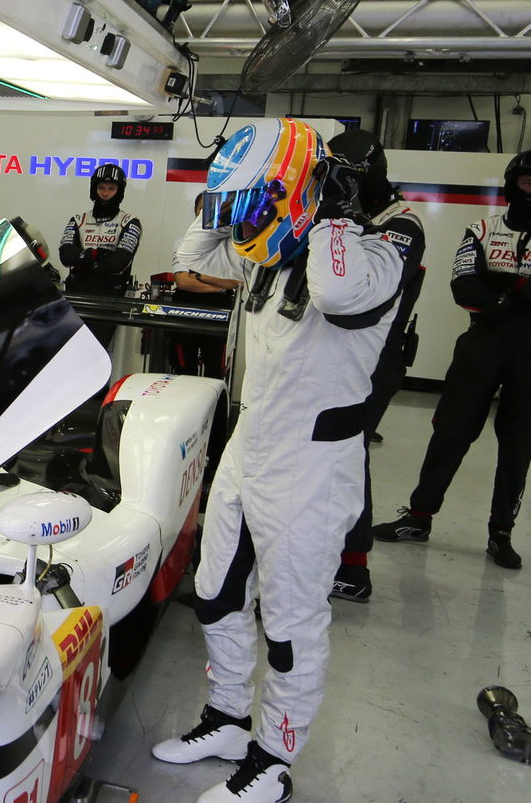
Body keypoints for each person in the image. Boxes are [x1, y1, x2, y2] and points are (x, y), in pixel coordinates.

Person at [155, 119, 410, 803]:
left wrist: (329, 209)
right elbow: (191, 256)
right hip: (250, 445)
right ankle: (229, 719)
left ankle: (273, 759)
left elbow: (336, 294)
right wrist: (227, 191)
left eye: (264, 197)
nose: (253, 215)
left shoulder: (381, 249)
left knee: (292, 624)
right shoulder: (271, 253)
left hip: (313, 464)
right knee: (216, 593)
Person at [372, 150, 531, 570]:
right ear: (512, 183)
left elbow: (484, 286)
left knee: (518, 444)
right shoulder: (482, 228)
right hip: (482, 343)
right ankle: (418, 517)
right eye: (527, 181)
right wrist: (517, 292)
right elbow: (464, 287)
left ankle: (501, 532)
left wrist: (501, 285)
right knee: (450, 431)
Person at [327, 129, 427, 600]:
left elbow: (362, 295)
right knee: (328, 457)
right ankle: (327, 554)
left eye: (349, 174)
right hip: (339, 353)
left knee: (349, 456)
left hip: (379, 356)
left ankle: (353, 568)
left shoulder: (402, 223)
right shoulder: (346, 213)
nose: (340, 183)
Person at [169, 192, 242, 378]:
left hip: (220, 314)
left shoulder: (236, 245)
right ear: (196, 211)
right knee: (184, 374)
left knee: (216, 376)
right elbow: (183, 282)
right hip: (186, 313)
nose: (207, 214)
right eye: (202, 210)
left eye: (211, 210)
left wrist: (199, 276)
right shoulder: (183, 242)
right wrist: (221, 284)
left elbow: (236, 282)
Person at [58, 163, 141, 295]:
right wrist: (97, 255)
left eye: (111, 188)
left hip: (113, 295)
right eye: (101, 188)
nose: (105, 193)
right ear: (93, 189)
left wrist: (84, 260)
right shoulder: (78, 219)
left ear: (119, 191)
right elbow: (66, 256)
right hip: (77, 292)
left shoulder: (130, 222)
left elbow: (118, 263)